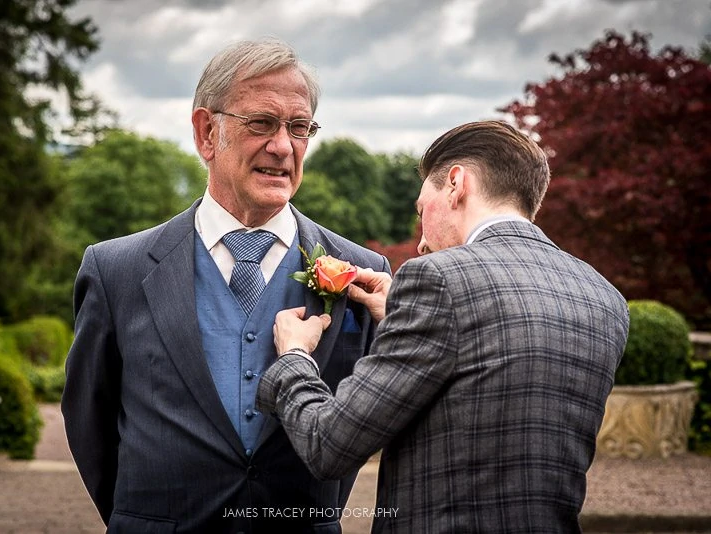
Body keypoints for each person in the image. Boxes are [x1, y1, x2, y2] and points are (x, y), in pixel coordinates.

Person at [61, 38, 390, 534]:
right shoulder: (116, 270)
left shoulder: (363, 274)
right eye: (262, 123)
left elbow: (373, 420)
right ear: (206, 132)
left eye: (299, 128)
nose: (283, 146)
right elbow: (89, 419)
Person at [256, 120, 630, 533]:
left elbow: (328, 446)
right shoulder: (605, 298)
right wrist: (399, 316)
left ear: (455, 183)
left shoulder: (437, 278)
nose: (420, 243)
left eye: (421, 211)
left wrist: (293, 356)